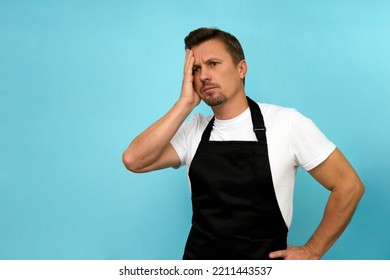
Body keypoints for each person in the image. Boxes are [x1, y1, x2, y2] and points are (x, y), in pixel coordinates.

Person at [122, 27, 364, 260]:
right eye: (195, 69)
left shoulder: (286, 123)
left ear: (241, 69)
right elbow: (134, 159)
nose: (204, 75)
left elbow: (348, 186)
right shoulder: (194, 129)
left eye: (213, 64)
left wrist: (313, 251)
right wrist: (185, 103)